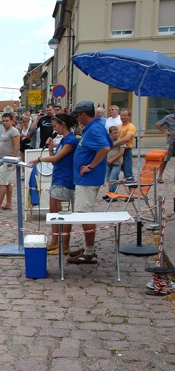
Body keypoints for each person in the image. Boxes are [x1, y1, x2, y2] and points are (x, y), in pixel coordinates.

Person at [67, 100, 111, 265]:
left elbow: (105, 147)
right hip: (85, 179)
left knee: (86, 215)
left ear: (83, 115)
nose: (77, 119)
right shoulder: (95, 127)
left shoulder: (95, 129)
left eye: (78, 116)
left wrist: (91, 166)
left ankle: (89, 251)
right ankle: (87, 248)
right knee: (85, 214)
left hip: (88, 179)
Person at [28, 113, 79, 254]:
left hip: (65, 180)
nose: (55, 128)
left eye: (56, 125)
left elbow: (56, 158)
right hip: (57, 178)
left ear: (63, 125)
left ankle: (64, 246)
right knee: (53, 212)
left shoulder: (71, 141)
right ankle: (55, 241)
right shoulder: (64, 140)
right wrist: (50, 147)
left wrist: (39, 159)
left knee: (64, 214)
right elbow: (54, 158)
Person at [0, 112, 20, 212]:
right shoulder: (4, 131)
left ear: (12, 120)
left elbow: (16, 146)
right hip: (3, 159)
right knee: (8, 183)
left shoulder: (14, 131)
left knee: (3, 183)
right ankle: (8, 203)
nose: (5, 123)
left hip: (8, 160)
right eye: (3, 121)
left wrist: (12, 159)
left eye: (7, 121)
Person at [112, 108, 135, 182]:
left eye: (124, 115)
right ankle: (113, 192)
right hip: (116, 150)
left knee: (128, 173)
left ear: (129, 116)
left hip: (126, 151)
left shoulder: (131, 127)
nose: (122, 117)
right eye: (121, 115)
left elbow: (126, 139)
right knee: (114, 173)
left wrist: (113, 144)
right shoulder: (118, 126)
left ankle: (131, 192)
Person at [104, 126, 125, 196]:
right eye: (114, 133)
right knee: (108, 179)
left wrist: (112, 160)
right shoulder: (107, 141)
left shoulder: (121, 141)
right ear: (110, 134)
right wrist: (106, 159)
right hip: (108, 163)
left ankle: (114, 194)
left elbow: (121, 152)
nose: (116, 134)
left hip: (116, 163)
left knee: (112, 179)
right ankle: (111, 194)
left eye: (117, 133)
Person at [156, 109, 175, 183]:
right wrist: (164, 131)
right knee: (165, 158)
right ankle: (160, 176)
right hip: (170, 141)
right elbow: (158, 124)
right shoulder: (168, 117)